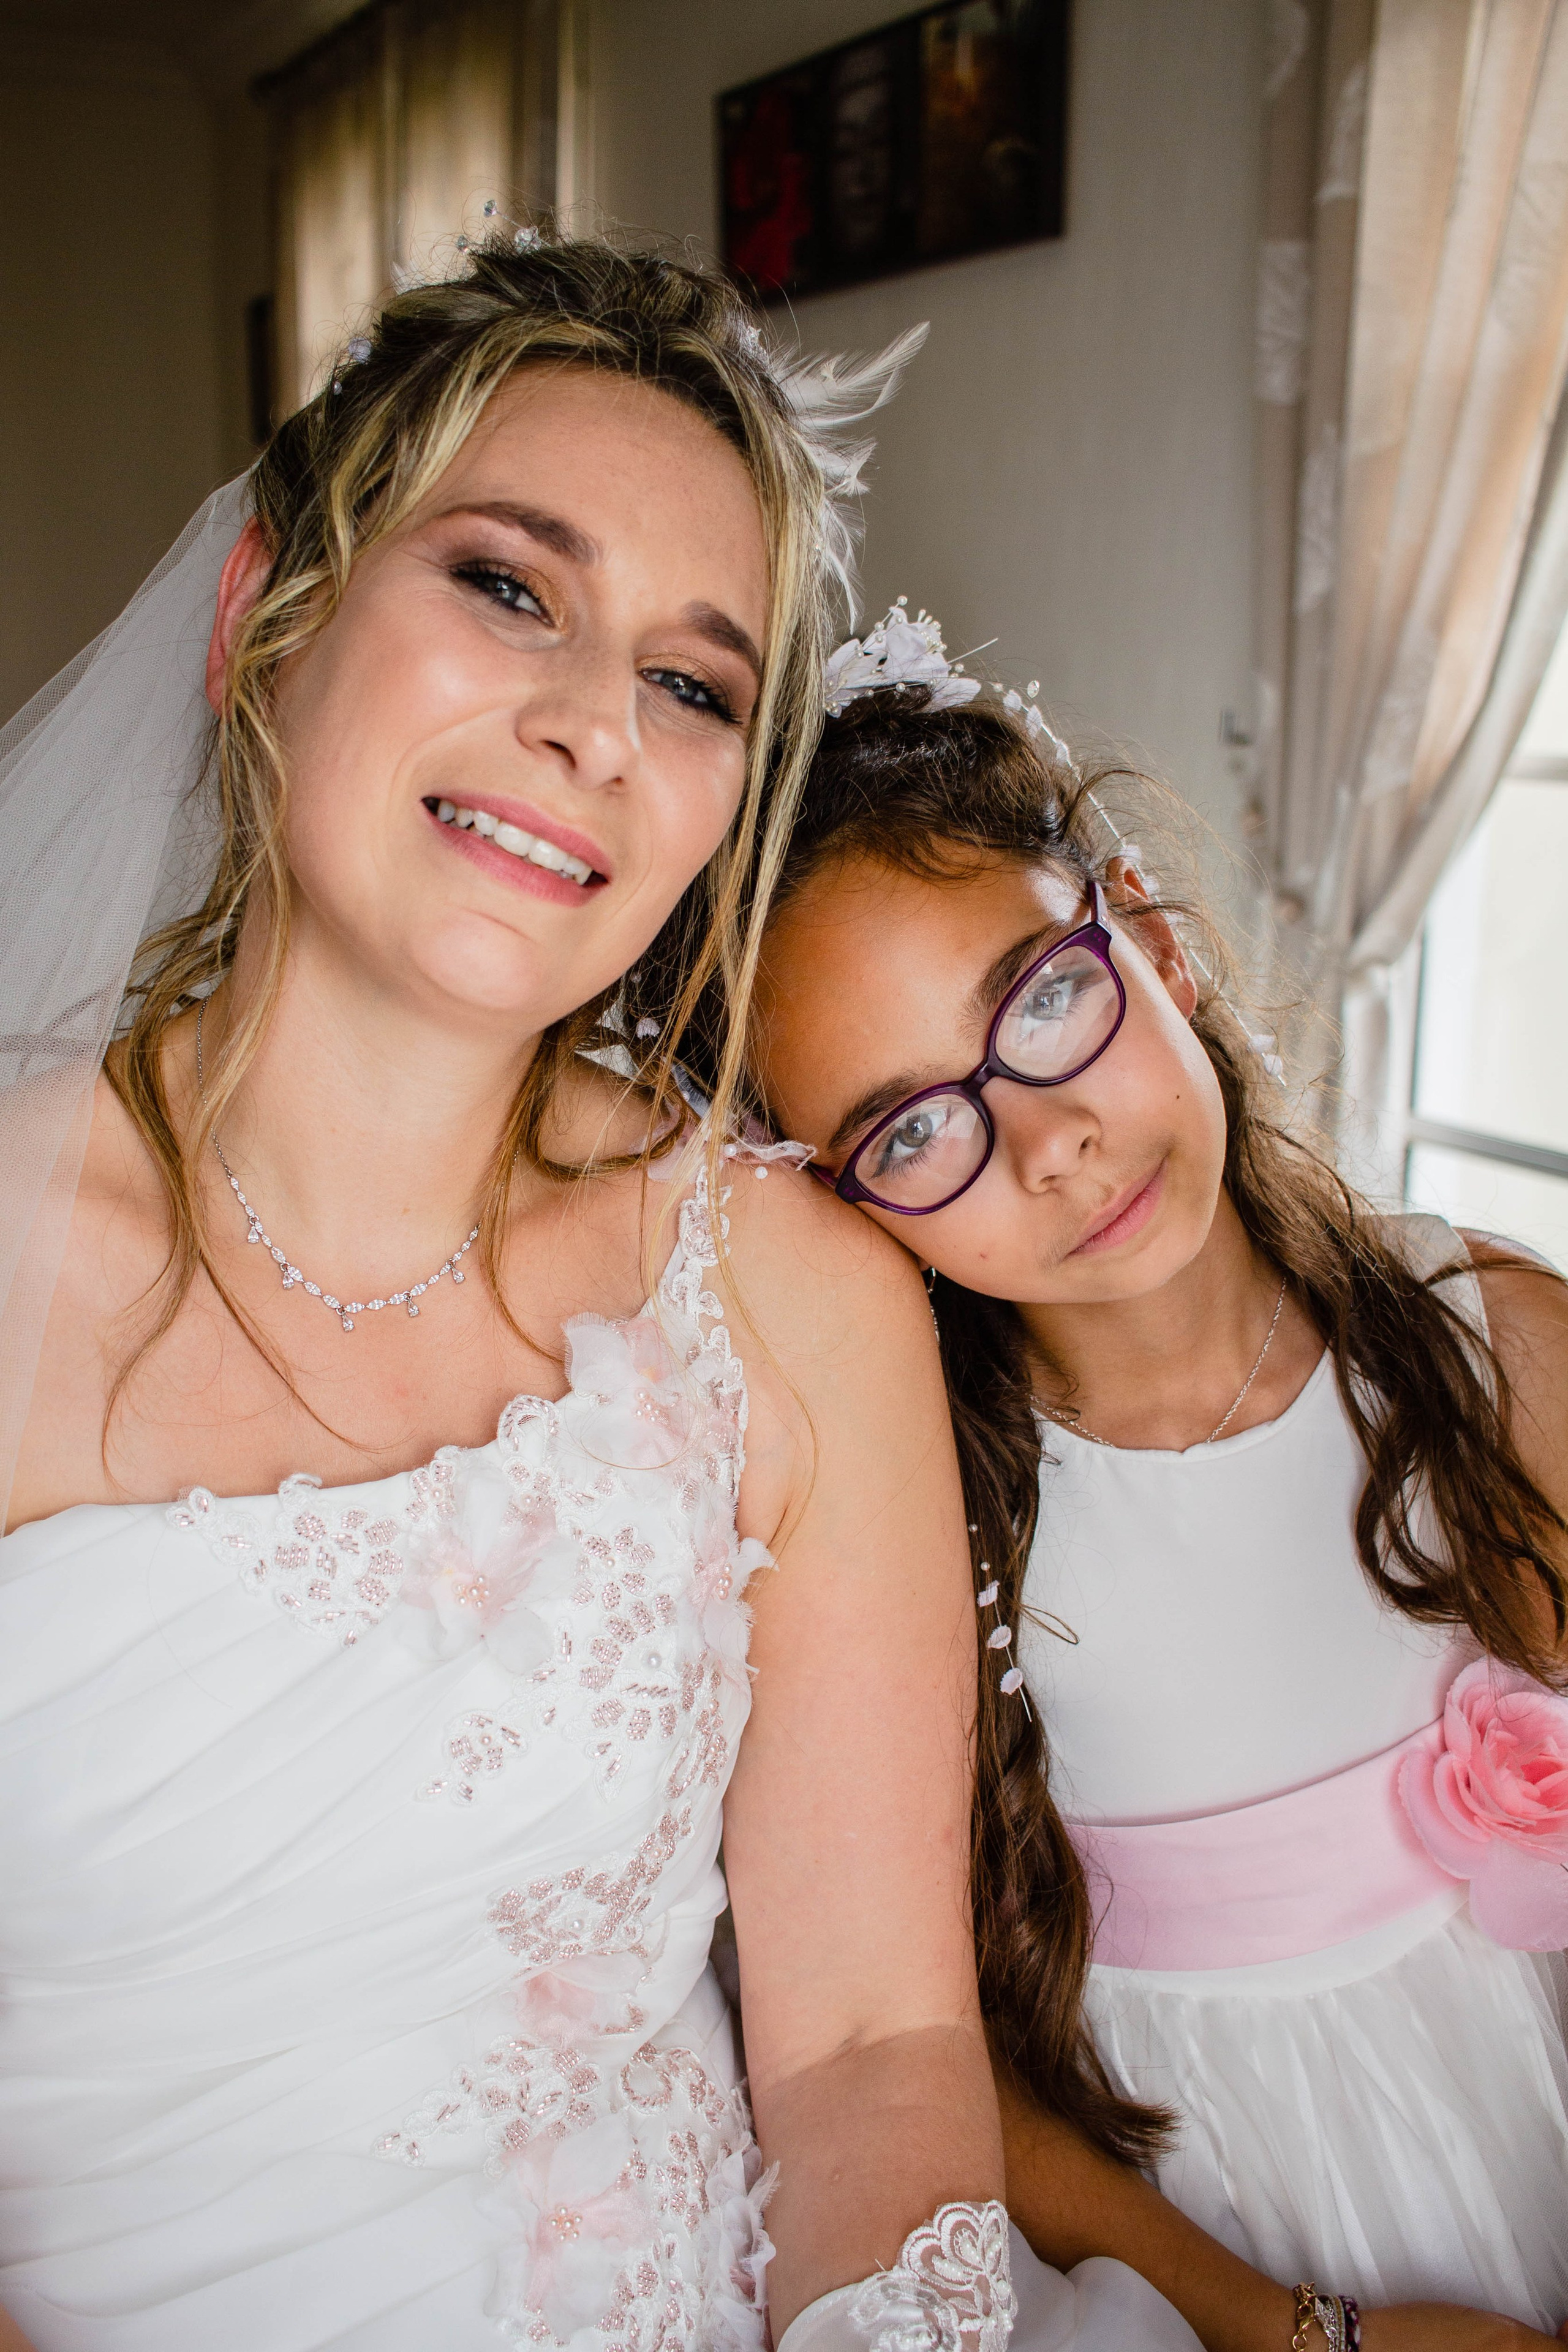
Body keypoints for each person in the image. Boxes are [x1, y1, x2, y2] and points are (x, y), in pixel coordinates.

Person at [0, 244, 1202, 2352]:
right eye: (507, 587)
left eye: (693, 682)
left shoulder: (791, 1290)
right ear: (262, 619)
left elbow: (860, 2049)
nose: (585, 728)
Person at [749, 612, 1568, 2352]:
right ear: (843, 1206)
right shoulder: (920, 1538)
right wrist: (1299, 2332)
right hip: (1203, 2266)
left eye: (1047, 1000)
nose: (1048, 1144)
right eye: (913, 1129)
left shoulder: (1496, 1349)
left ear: (1159, 940)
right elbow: (934, 2049)